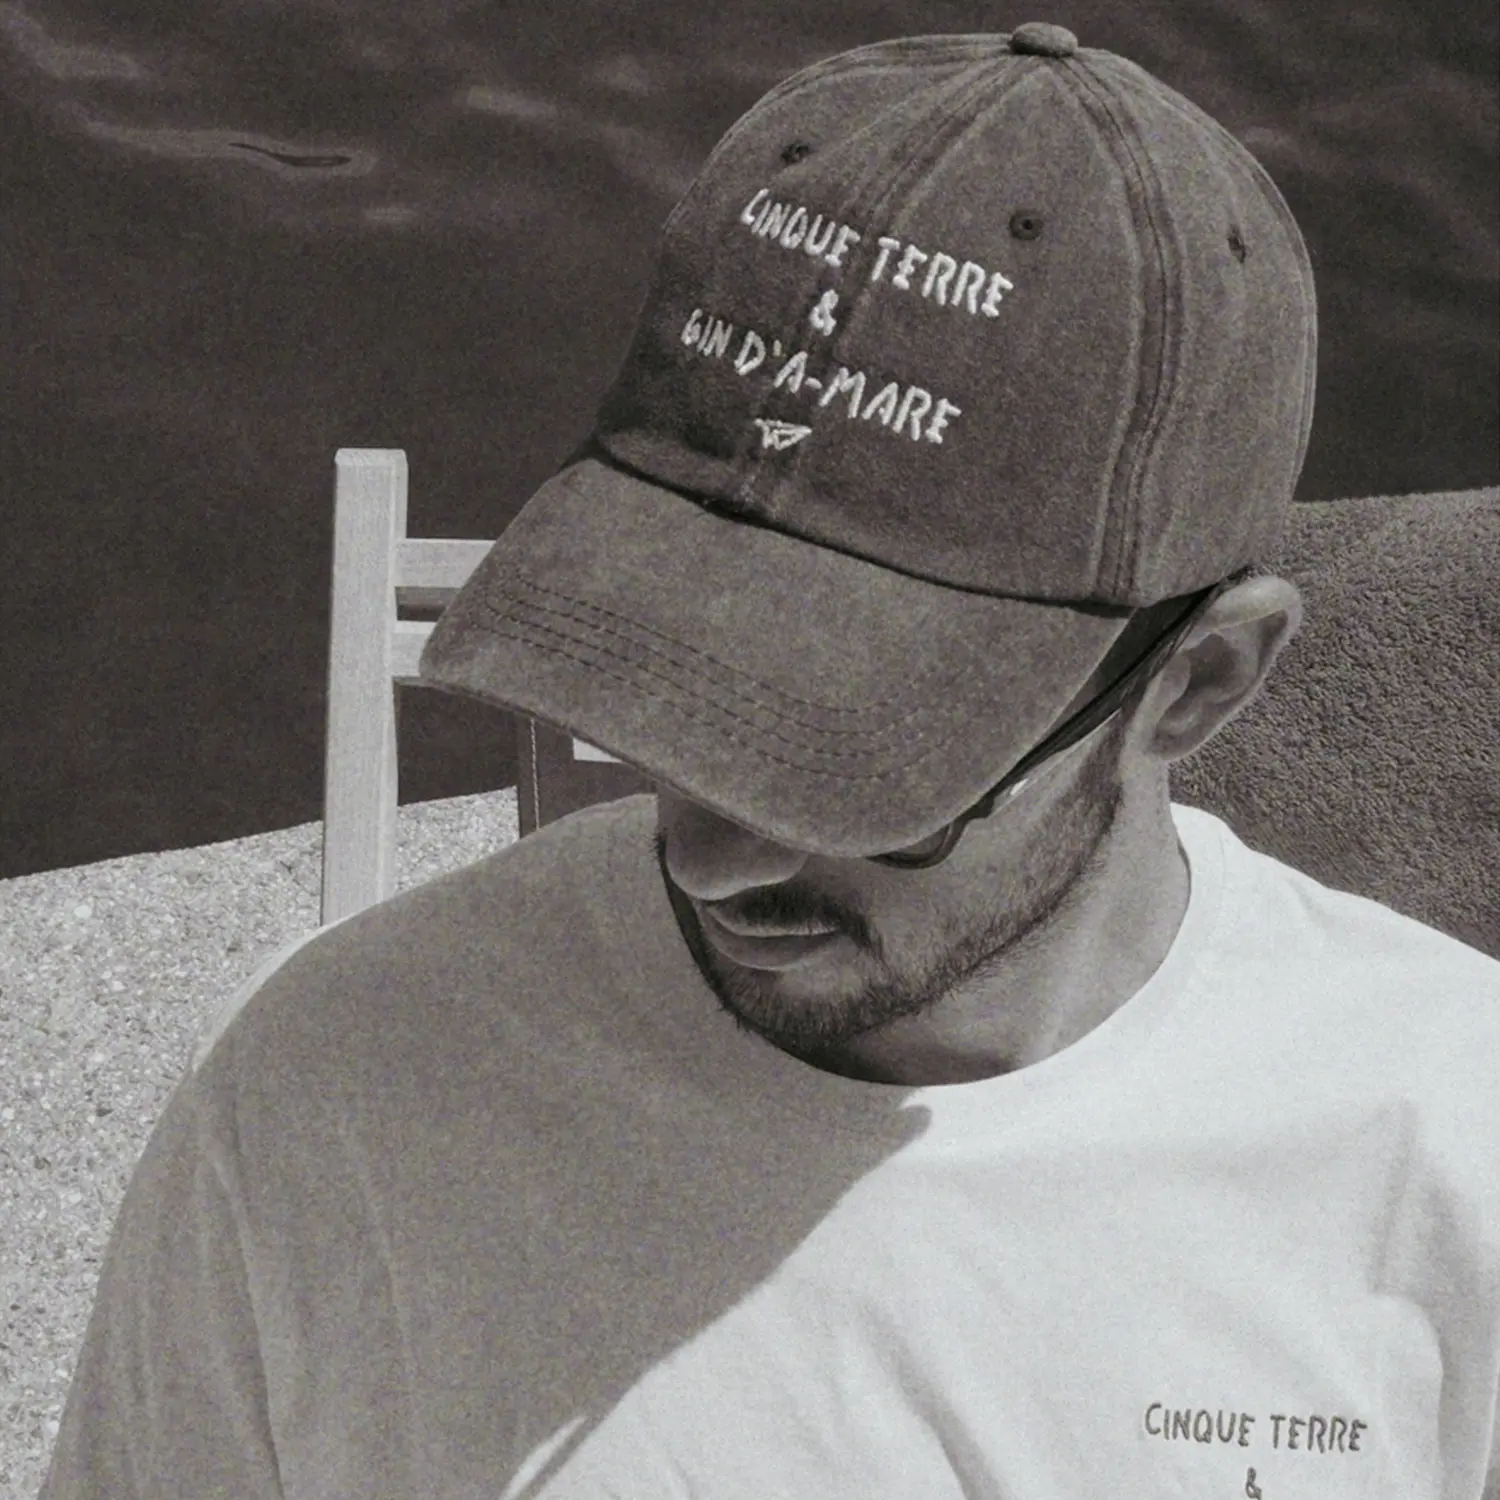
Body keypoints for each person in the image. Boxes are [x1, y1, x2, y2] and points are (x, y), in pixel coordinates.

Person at [43, 24, 1499, 1499]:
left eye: (855, 773)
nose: (704, 858)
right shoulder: (324, 1098)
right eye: (672, 705)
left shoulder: (1450, 1159)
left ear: (1197, 681)